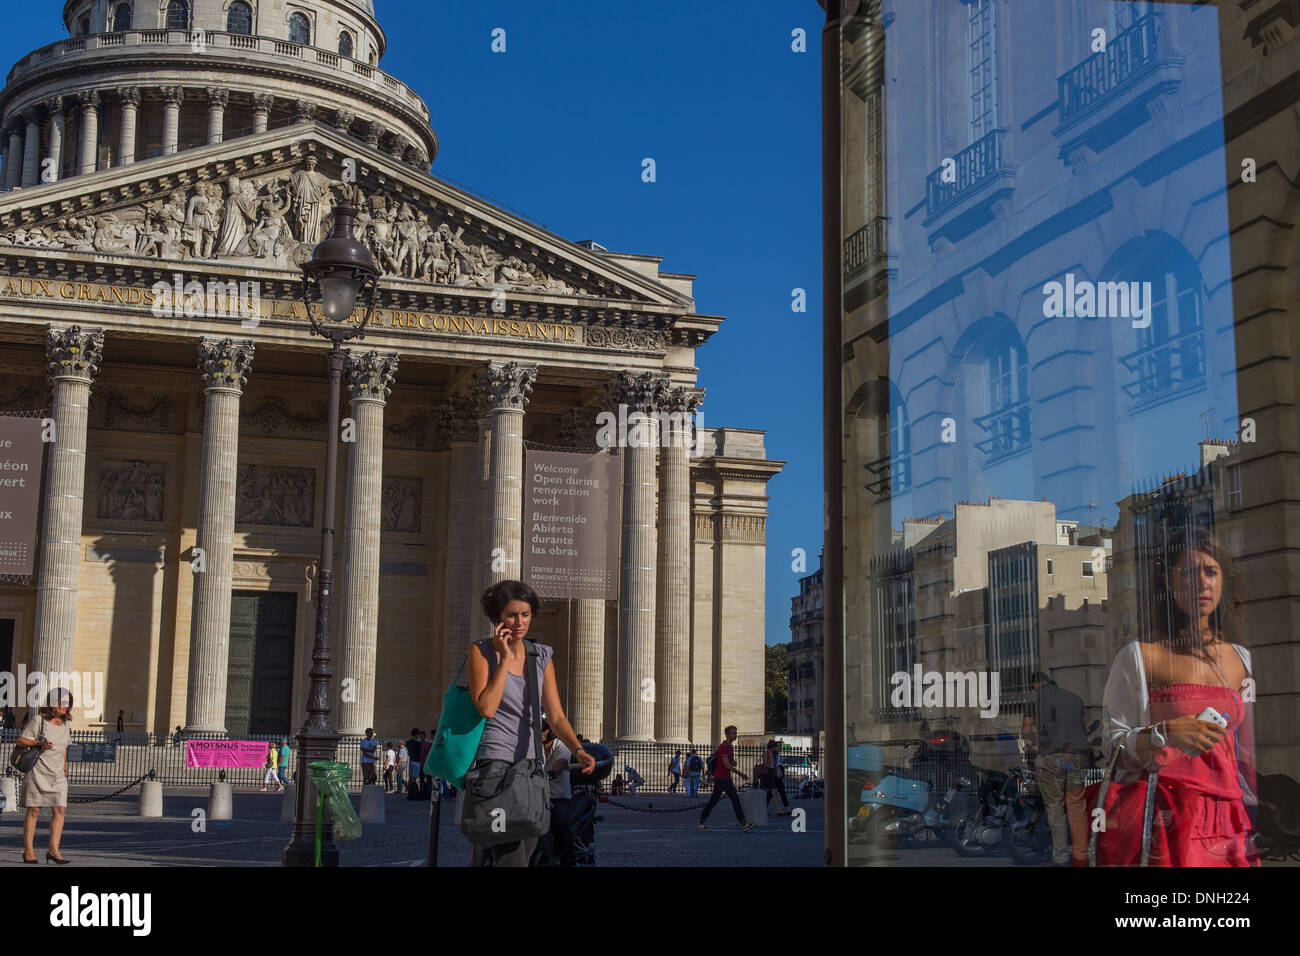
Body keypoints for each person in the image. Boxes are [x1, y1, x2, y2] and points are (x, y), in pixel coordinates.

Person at [1096, 529, 1256, 866]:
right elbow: (1112, 744)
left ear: (1223, 581)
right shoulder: (1141, 656)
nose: (1201, 582)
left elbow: (1247, 750)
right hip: (1166, 816)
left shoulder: (1241, 659)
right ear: (1169, 582)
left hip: (1228, 816)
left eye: (1210, 571)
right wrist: (1164, 734)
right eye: (1187, 572)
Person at [465, 579, 596, 867]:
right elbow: (486, 707)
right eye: (512, 615)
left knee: (527, 855)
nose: (520, 622)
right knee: (510, 858)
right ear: (498, 616)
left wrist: (578, 749)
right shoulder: (482, 651)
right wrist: (505, 660)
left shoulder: (541, 656)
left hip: (531, 770)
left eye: (525, 614)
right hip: (495, 768)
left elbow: (557, 716)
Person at [1024, 672, 1090, 866]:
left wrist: (1033, 748)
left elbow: (1027, 730)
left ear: (1034, 684)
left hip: (1053, 758)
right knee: (1077, 807)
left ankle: (1060, 858)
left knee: (1054, 807)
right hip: (1078, 757)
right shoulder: (1075, 699)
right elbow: (1083, 729)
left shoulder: (1033, 697)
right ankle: (1081, 857)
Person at [17, 687, 74, 863]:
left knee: (60, 809)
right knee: (34, 810)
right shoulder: (38, 721)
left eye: (68, 703)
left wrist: (64, 772)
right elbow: (21, 740)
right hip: (38, 771)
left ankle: (53, 850)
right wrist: (38, 742)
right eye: (62, 702)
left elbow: (64, 750)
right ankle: (28, 851)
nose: (65, 706)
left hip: (57, 774)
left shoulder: (66, 724)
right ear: (52, 703)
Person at [698, 725, 756, 831]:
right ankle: (743, 824)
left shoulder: (730, 747)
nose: (735, 735)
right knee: (723, 800)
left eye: (735, 733)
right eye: (733, 733)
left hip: (726, 778)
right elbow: (727, 765)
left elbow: (729, 763)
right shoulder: (723, 747)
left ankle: (743, 824)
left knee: (729, 800)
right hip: (721, 778)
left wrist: (733, 762)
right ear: (727, 734)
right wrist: (740, 773)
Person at [541, 718, 575, 865]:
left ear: (548, 731)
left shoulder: (561, 745)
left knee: (561, 823)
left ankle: (566, 857)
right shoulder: (534, 747)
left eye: (543, 729)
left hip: (558, 797)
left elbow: (561, 762)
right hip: (538, 796)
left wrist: (552, 773)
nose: (540, 732)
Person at [763, 739, 793, 816]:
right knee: (773, 792)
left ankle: (786, 809)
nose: (779, 748)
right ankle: (778, 810)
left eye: (780, 746)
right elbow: (766, 764)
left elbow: (777, 764)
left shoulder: (777, 754)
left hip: (777, 774)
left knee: (780, 791)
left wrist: (781, 767)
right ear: (773, 747)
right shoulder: (767, 753)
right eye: (778, 746)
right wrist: (771, 757)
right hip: (770, 774)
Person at [404, 728, 422, 798]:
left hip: (411, 760)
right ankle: (413, 793)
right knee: (414, 778)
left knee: (410, 777)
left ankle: (409, 792)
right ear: (417, 734)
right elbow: (420, 752)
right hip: (416, 761)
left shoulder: (408, 742)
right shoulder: (418, 743)